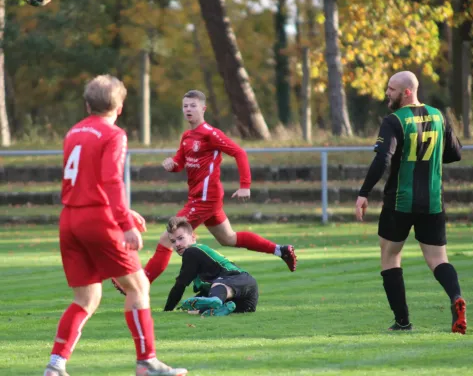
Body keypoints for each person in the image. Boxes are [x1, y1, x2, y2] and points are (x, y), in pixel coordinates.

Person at [44, 75, 187, 376]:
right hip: (96, 220)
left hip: (70, 218)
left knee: (86, 297)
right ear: (120, 107)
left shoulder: (73, 132)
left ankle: (56, 365)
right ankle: (146, 362)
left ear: (87, 104)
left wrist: (123, 211)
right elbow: (110, 179)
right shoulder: (113, 134)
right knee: (138, 286)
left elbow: (85, 181)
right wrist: (124, 222)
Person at [127, 90, 296, 289]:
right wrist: (172, 164)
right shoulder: (187, 136)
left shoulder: (211, 134)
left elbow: (239, 153)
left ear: (203, 109)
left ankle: (139, 285)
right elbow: (180, 163)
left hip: (205, 199)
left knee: (167, 238)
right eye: (185, 106)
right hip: (201, 198)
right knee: (228, 238)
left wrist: (245, 186)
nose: (188, 109)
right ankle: (280, 250)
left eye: (193, 106)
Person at [355, 71, 466, 334]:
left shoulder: (394, 120)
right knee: (438, 259)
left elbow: (382, 159)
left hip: (399, 202)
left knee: (390, 255)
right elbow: (455, 153)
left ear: (407, 92)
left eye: (391, 89)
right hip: (432, 202)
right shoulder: (438, 116)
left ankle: (403, 321)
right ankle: (456, 298)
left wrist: (363, 193)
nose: (387, 93)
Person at [163, 216, 258, 316]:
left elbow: (180, 285)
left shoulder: (191, 251)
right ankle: (218, 310)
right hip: (246, 301)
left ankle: (216, 300)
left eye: (180, 238)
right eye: (173, 241)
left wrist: (167, 310)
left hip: (237, 279)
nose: (177, 244)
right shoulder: (201, 257)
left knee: (217, 288)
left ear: (193, 237)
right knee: (192, 310)